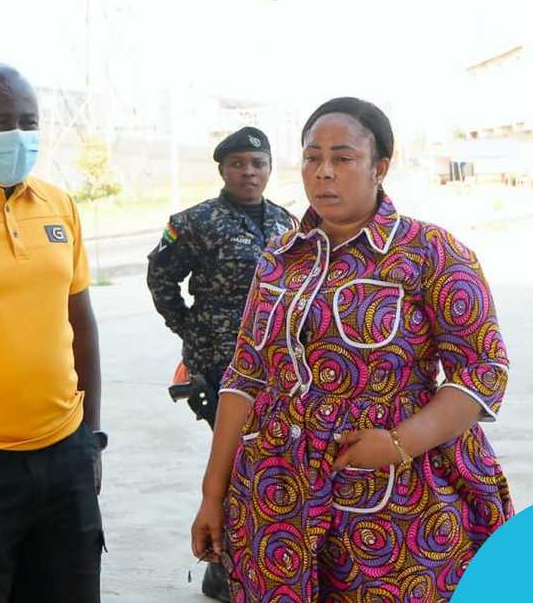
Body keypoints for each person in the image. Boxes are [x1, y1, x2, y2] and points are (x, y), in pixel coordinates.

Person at [191, 97, 511, 601]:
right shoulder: (278, 259)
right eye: (312, 158)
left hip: (393, 492)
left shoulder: (431, 253)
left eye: (342, 158)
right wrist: (214, 492)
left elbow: (482, 369)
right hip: (276, 491)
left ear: (379, 167)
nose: (323, 173)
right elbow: (246, 374)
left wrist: (401, 440)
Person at [146, 127, 294, 601]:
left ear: (269, 168)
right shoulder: (195, 222)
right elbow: (161, 277)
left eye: (257, 163)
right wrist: (189, 329)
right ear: (222, 170)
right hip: (220, 366)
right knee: (230, 461)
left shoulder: (288, 223)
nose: (248, 173)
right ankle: (225, 569)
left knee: (267, 462)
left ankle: (248, 562)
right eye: (238, 164)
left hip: (277, 366)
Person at [0, 62, 105, 603]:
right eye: (0, 121)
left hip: (64, 456)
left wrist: (92, 439)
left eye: (27, 120)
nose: (17, 134)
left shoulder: (60, 204)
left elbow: (81, 322)